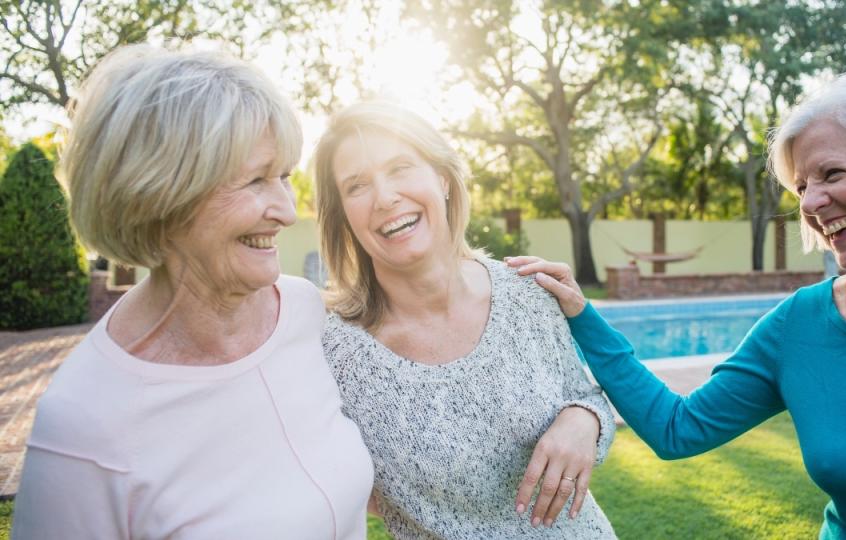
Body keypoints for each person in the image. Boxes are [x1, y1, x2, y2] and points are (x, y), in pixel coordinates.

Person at [509, 69, 846, 539]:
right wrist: (583, 315)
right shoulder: (799, 325)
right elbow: (677, 428)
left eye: (832, 173)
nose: (810, 203)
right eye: (802, 186)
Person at [12, 45, 373, 539]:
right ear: (159, 196)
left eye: (284, 176)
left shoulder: (303, 312)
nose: (287, 210)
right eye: (255, 180)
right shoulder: (83, 422)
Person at [313, 102, 618, 539]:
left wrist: (583, 418)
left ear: (442, 178)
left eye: (400, 168)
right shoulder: (333, 352)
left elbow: (585, 394)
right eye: (357, 185)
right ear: (342, 213)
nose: (384, 198)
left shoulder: (528, 291)